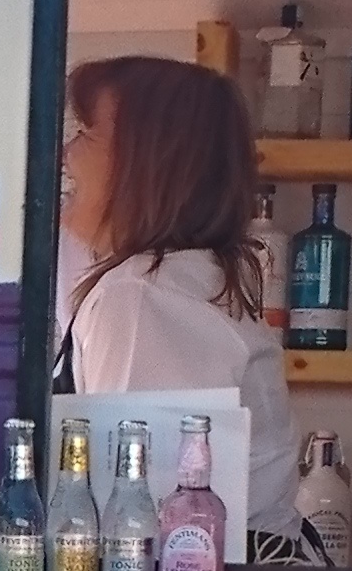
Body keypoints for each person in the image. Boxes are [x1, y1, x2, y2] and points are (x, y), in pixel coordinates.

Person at [54, 53, 300, 541]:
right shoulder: (177, 280)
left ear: (144, 164)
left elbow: (139, 524)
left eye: (86, 133)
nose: (66, 153)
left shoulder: (143, 297)